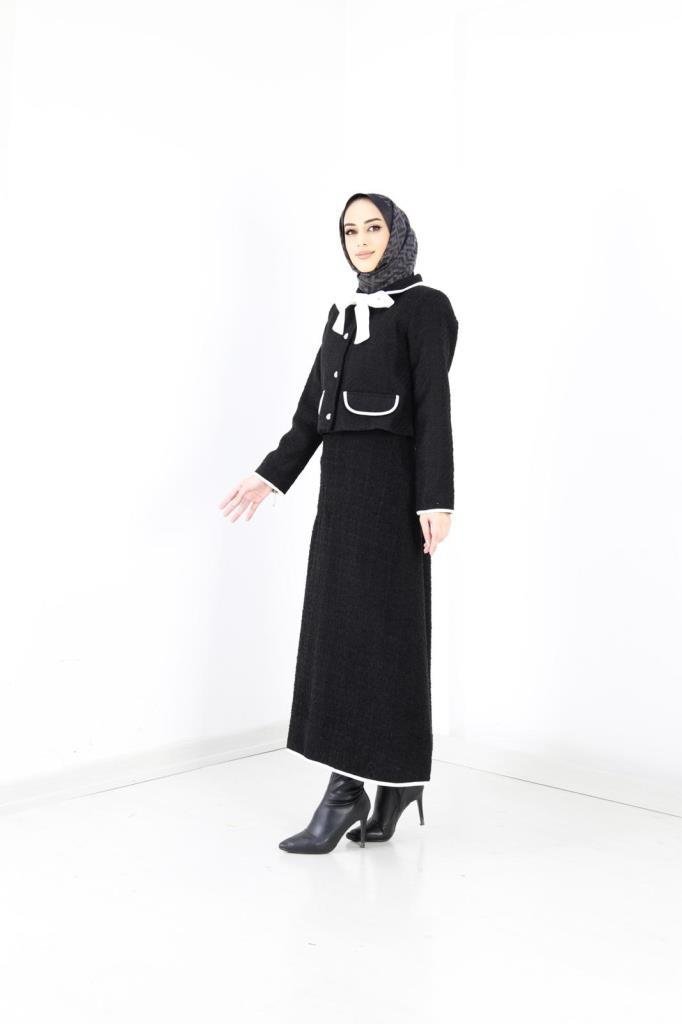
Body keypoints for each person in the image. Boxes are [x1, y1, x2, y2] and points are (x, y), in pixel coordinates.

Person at [219, 192, 459, 854]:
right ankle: (389, 784)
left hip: (394, 495)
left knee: (380, 639)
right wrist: (270, 475)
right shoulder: (342, 313)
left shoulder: (426, 308)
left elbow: (434, 405)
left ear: (397, 234)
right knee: (341, 636)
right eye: (351, 231)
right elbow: (311, 413)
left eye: (373, 227)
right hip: (341, 497)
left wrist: (436, 499)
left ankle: (349, 791)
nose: (362, 240)